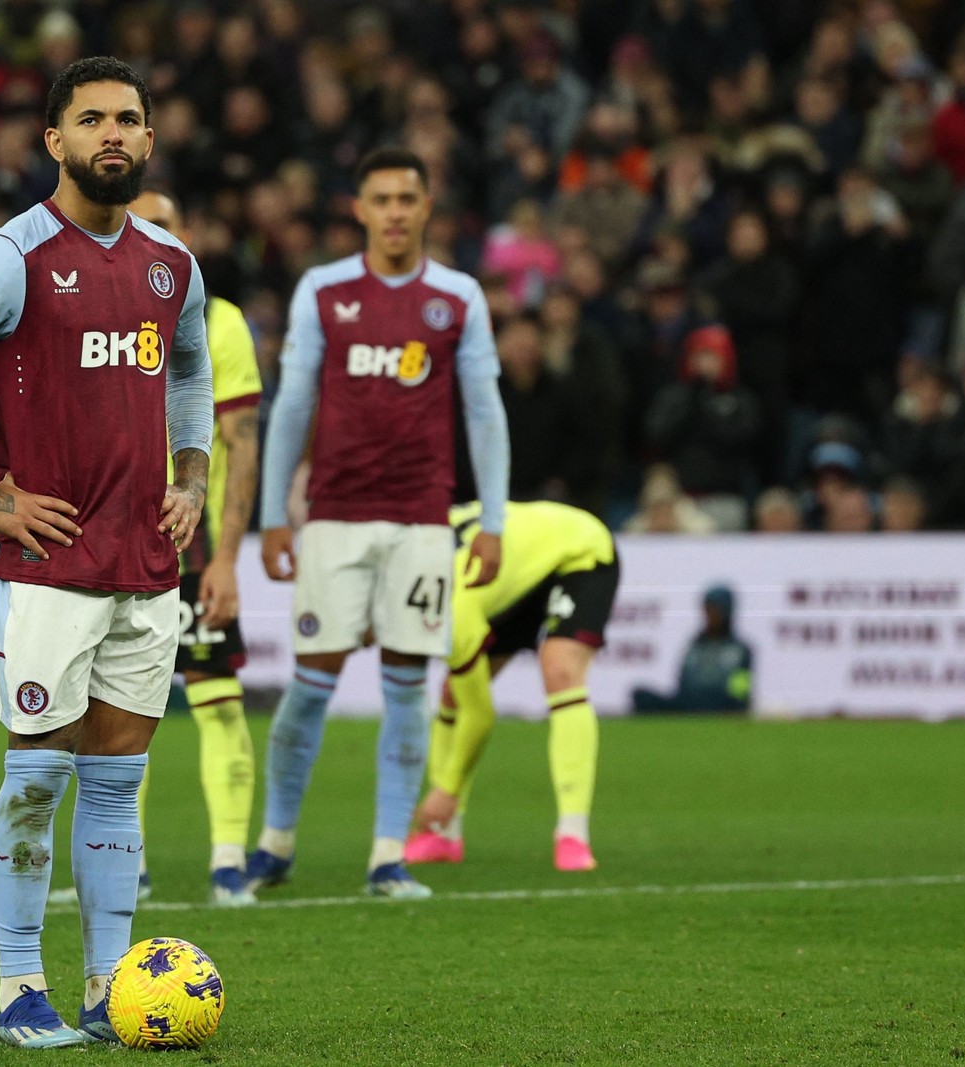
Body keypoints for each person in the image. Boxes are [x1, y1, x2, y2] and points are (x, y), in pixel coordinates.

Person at [0, 58, 214, 1049]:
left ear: (149, 141)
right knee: (37, 776)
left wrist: (189, 480)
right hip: (50, 568)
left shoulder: (171, 263)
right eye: (92, 119)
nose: (113, 134)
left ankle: (112, 987)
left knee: (115, 781)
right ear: (55, 140)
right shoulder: (11, 255)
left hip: (146, 567)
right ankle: (21, 984)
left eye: (129, 119)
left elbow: (189, 370)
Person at [248, 147, 510, 900]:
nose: (395, 210)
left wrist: (489, 518)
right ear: (358, 209)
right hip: (333, 517)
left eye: (407, 197)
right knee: (310, 685)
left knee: (406, 688)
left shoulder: (457, 297)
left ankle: (388, 854)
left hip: (424, 521)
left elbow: (484, 411)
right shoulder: (325, 291)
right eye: (381, 198)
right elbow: (292, 403)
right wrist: (275, 517)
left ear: (427, 207)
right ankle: (277, 840)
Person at [129, 189, 262, 907]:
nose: (154, 237)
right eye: (141, 224)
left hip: (193, 545)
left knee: (216, 701)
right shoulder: (96, 310)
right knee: (116, 713)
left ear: (189, 238)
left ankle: (229, 860)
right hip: (115, 545)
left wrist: (230, 558)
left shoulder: (218, 321)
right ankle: (128, 865)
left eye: (167, 226)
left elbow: (241, 444)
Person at [403, 500, 617, 873]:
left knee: (559, 669)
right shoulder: (416, 568)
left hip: (577, 550)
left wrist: (446, 789)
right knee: (456, 691)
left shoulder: (449, 607)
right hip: (510, 574)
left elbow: (481, 715)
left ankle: (572, 834)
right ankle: (443, 835)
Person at [632, 585, 754, 713]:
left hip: (718, 706)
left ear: (726, 611)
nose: (710, 616)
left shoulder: (741, 650)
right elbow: (682, 682)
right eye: (707, 610)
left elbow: (740, 692)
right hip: (689, 704)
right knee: (641, 696)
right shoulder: (695, 645)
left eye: (714, 610)